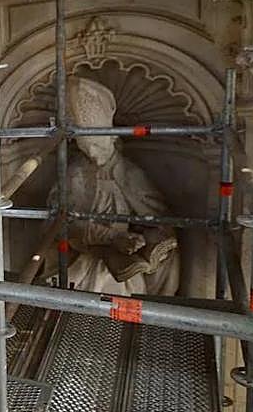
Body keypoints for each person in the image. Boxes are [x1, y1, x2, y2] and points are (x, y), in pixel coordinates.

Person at [53, 76, 180, 295]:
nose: (91, 152)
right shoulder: (74, 172)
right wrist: (106, 237)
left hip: (120, 265)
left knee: (117, 295)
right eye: (84, 146)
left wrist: (139, 242)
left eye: (95, 143)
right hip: (80, 258)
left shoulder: (129, 174)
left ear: (111, 137)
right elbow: (57, 221)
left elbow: (161, 222)